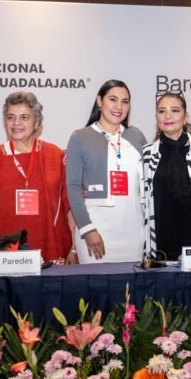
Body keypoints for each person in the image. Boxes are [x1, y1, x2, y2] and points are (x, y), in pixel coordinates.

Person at [0, 92, 74, 263]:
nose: (16, 123)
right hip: (1, 256)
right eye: (11, 117)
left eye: (24, 117)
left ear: (36, 123)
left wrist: (74, 249)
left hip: (49, 250)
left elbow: (69, 207)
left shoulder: (55, 156)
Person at [66, 80, 147, 263]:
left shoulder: (136, 136)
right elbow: (73, 187)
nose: (119, 106)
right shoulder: (80, 137)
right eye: (112, 99)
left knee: (132, 281)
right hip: (96, 230)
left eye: (125, 101)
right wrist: (87, 229)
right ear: (99, 101)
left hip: (134, 231)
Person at [142, 91, 191, 261]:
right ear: (156, 117)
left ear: (185, 117)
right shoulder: (147, 153)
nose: (168, 116)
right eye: (162, 111)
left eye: (175, 110)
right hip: (160, 242)